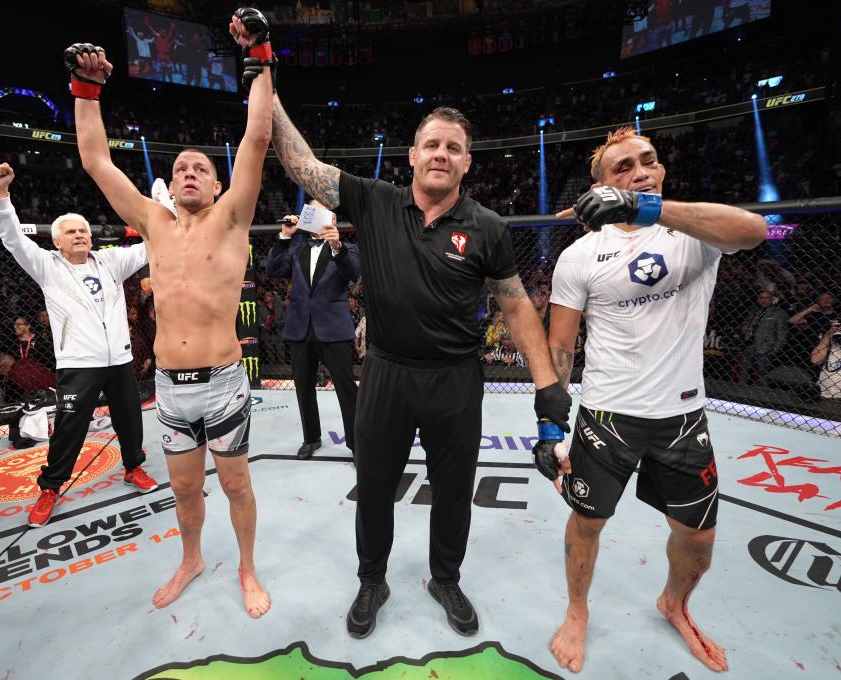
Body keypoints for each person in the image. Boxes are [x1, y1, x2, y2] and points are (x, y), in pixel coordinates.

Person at [269, 99, 572, 637]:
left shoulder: (487, 226)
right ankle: (372, 580)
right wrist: (266, 85)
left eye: (453, 147)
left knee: (454, 490)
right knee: (375, 483)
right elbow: (302, 166)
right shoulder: (375, 200)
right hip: (386, 372)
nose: (441, 154)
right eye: (432, 144)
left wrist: (547, 385)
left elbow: (516, 304)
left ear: (467, 162)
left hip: (455, 379)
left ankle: (445, 579)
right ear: (411, 155)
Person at [66, 6, 274, 617]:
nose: (188, 172)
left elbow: (258, 137)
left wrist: (259, 58)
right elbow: (96, 161)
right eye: (180, 166)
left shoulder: (232, 218)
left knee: (235, 483)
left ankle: (246, 567)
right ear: (170, 181)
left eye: (200, 168)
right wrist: (87, 89)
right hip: (171, 388)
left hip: (225, 384)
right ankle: (190, 559)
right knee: (184, 486)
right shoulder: (152, 223)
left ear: (216, 185)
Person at [545, 127, 768, 673]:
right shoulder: (580, 255)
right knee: (587, 521)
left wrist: (649, 208)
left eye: (648, 161)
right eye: (622, 169)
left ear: (661, 170)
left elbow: (755, 230)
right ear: (600, 186)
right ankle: (577, 610)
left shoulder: (692, 231)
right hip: (606, 412)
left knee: (700, 537)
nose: (639, 171)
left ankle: (675, 602)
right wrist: (551, 426)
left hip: (682, 415)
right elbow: (559, 347)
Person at [0, 164, 158, 528]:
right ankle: (50, 488)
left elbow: (151, 245)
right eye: (71, 231)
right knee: (68, 427)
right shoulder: (46, 266)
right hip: (79, 365)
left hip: (119, 361)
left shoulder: (111, 260)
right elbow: (13, 238)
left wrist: (162, 207)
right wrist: (2, 195)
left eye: (83, 230)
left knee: (129, 419)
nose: (80, 235)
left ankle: (133, 468)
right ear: (57, 240)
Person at [265, 204, 360, 458]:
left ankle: (356, 444)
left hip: (333, 328)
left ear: (333, 220)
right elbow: (273, 270)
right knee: (303, 386)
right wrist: (285, 235)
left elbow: (353, 272)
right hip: (300, 327)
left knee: (346, 388)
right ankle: (311, 438)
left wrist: (337, 246)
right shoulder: (297, 249)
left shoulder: (348, 248)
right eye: (311, 213)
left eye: (319, 213)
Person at [735, 289, 788, 386]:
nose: (764, 300)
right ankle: (741, 390)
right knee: (744, 369)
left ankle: (762, 394)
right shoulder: (754, 310)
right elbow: (747, 323)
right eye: (761, 298)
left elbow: (782, 332)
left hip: (766, 346)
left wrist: (777, 348)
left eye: (767, 298)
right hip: (750, 344)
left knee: (763, 373)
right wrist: (745, 328)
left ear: (772, 299)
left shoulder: (778, 312)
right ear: (757, 299)